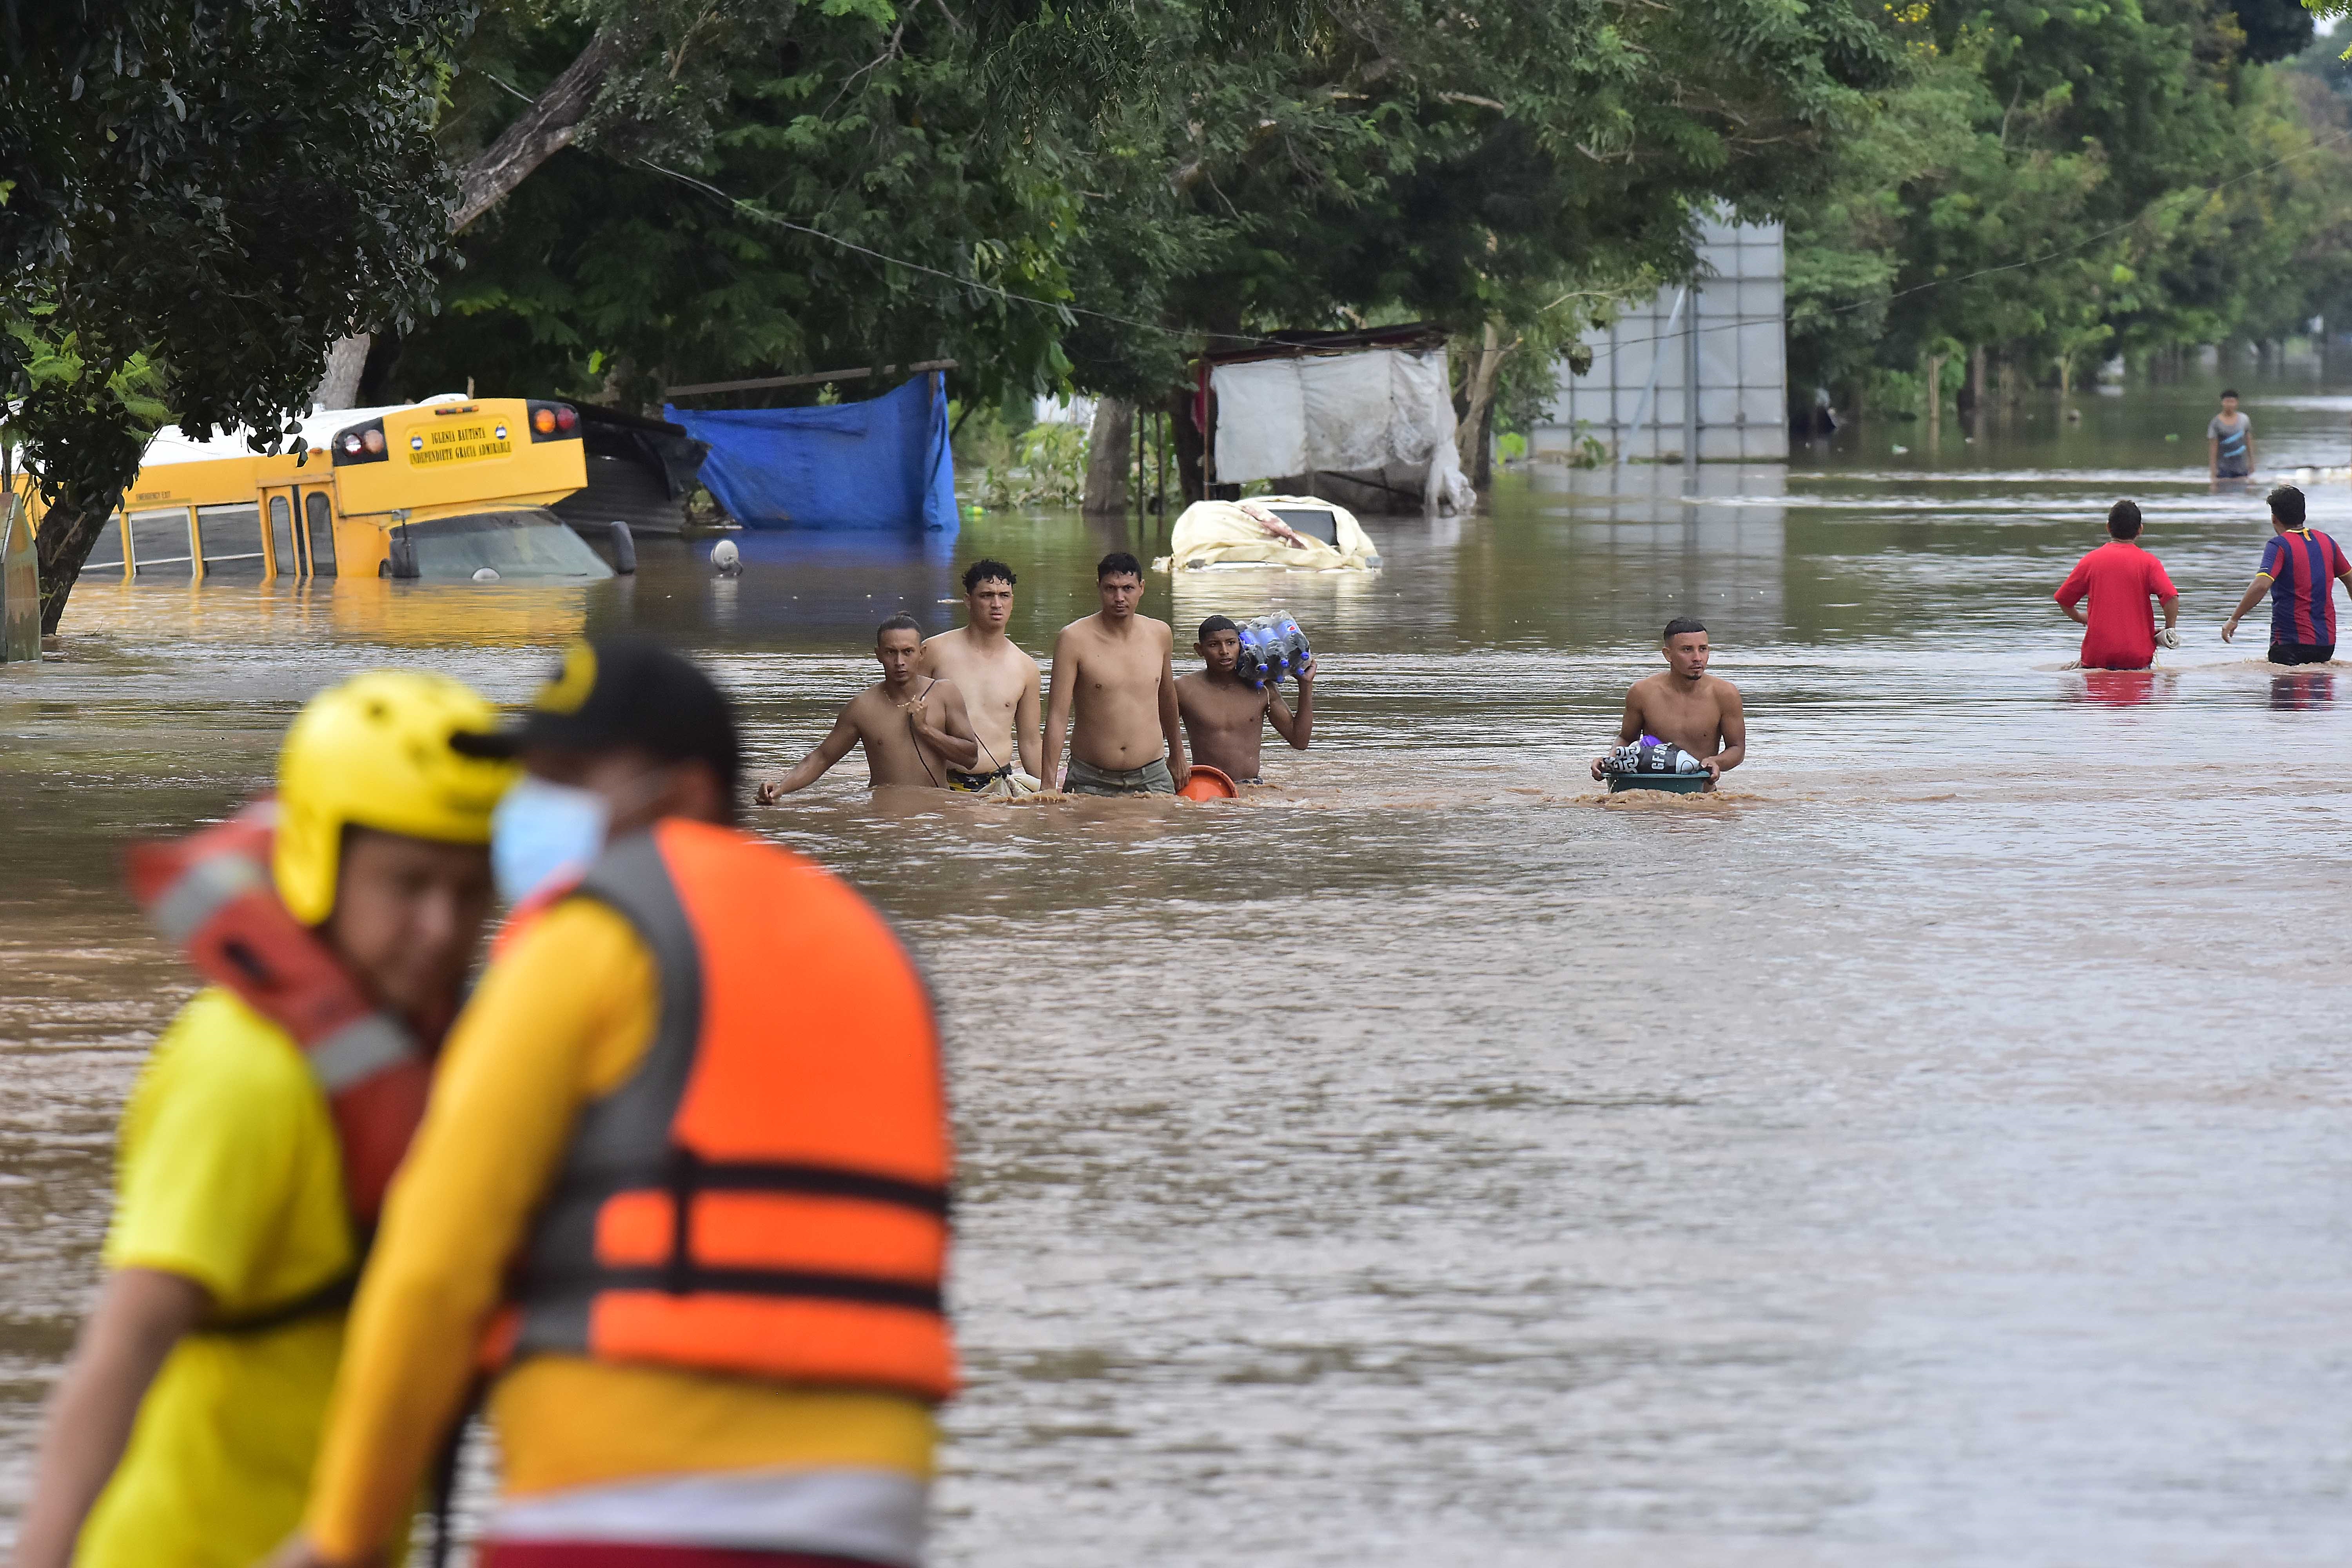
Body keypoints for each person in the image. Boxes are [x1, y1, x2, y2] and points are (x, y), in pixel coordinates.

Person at [269, 635, 956, 1568]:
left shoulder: (589, 934)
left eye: (567, 776)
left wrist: (344, 1535)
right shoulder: (882, 950)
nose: (530, 808)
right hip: (876, 1512)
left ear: (680, 796)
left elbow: (437, 1263)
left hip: (626, 1506)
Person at [13, 672, 510, 1568]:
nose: (440, 927)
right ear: (319, 859)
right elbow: (128, 1340)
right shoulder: (247, 1068)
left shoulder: (441, 1060)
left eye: (468, 890)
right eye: (407, 884)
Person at [757, 614, 982, 799]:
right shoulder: (862, 707)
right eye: (891, 653)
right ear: (878, 655)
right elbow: (822, 757)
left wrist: (926, 730)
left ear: (922, 654)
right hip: (884, 815)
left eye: (908, 652)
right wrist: (781, 788)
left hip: (935, 814)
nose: (900, 662)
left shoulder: (944, 693)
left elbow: (970, 758)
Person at [1038, 552, 1190, 796]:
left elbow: (1167, 698)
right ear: (1099, 587)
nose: (1119, 598)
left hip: (1152, 773)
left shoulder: (1160, 634)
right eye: (1111, 589)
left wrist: (1178, 753)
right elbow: (1057, 716)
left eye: (1127, 588)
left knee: (1164, 834)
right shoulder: (1073, 639)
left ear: (1141, 588)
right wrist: (1047, 785)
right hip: (1091, 776)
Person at [916, 559, 1043, 794]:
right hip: (939, 783)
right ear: (968, 601)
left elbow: (1031, 742)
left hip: (999, 786)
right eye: (987, 596)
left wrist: (1045, 791)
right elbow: (904, 719)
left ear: (1012, 602)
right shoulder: (933, 652)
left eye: (1004, 596)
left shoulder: (1026, 667)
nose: (997, 604)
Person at [1589, 619, 1746, 787]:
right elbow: (1626, 739)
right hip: (1650, 794)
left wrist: (1716, 762)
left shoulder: (1725, 694)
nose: (1697, 658)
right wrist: (1610, 761)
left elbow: (1737, 749)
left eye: (1703, 649)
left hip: (1700, 794)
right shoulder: (1642, 692)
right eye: (1687, 650)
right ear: (1668, 654)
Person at [1174, 614, 1314, 783]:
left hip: (1251, 787)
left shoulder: (1262, 689)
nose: (1224, 651)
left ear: (1241, 645)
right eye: (1213, 645)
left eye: (1231, 643)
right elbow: (1157, 737)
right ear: (1199, 650)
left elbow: (1300, 741)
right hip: (1205, 787)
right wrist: (1175, 760)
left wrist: (1306, 686)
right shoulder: (1183, 689)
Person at [2222, 484, 2351, 665]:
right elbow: (2350, 581)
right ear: (2303, 515)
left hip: (2290, 643)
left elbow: (2261, 585)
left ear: (2274, 518)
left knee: (2286, 690)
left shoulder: (2279, 546)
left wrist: (2234, 619)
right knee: (2320, 690)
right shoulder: (2327, 542)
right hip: (2326, 644)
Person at [2053, 499, 2180, 670]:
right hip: (2138, 657)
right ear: (2140, 530)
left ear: (2108, 527)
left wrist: (2082, 618)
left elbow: (2064, 600)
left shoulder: (2091, 561)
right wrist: (2169, 629)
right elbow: (2171, 597)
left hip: (2097, 656)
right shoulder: (2149, 563)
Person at [2209, 389, 2254, 480]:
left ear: (2237, 403)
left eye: (2232, 402)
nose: (2230, 405)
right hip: (2223, 468)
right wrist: (2213, 472)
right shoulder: (2216, 422)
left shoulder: (2244, 419)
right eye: (2227, 402)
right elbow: (2213, 448)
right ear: (2222, 403)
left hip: (2241, 467)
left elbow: (2249, 441)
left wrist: (2252, 463)